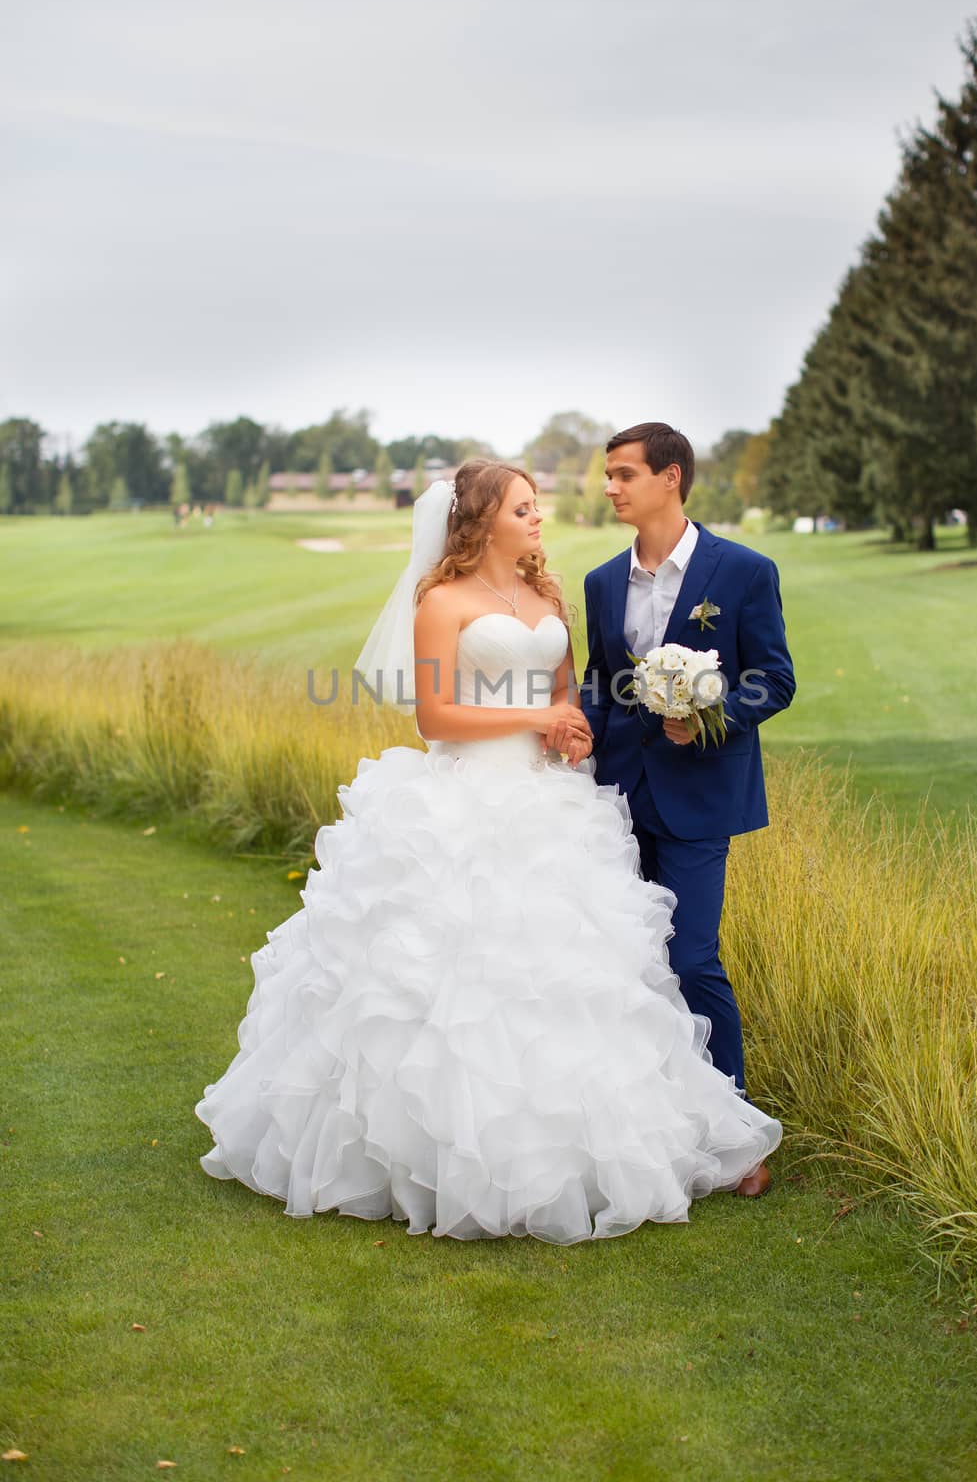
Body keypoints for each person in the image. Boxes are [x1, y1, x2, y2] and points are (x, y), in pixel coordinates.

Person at [194, 459, 781, 1243]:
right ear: (480, 520)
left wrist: (568, 723)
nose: (538, 518)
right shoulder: (441, 599)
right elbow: (434, 717)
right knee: (459, 974)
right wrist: (532, 723)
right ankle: (446, 1154)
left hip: (552, 801)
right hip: (465, 798)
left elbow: (567, 690)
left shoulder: (546, 594)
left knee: (574, 975)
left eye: (536, 507)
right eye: (523, 508)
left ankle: (593, 1142)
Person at [581, 424, 796, 1198]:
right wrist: (575, 733)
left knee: (692, 958)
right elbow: (601, 681)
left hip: (701, 798)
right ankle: (645, 1128)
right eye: (607, 475)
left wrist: (712, 713)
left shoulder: (741, 571)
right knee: (626, 963)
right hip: (616, 796)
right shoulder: (603, 581)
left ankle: (736, 1135)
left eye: (622, 473)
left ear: (669, 478)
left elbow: (774, 677)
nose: (610, 486)